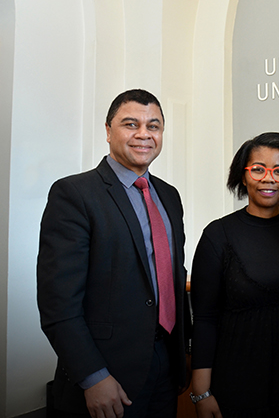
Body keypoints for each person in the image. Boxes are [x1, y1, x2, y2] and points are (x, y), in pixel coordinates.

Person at [37, 89, 188, 418]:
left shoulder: (169, 196)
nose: (143, 134)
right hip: (107, 373)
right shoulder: (74, 194)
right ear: (108, 131)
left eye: (154, 126)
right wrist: (93, 377)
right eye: (130, 124)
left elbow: (171, 275)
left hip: (166, 367)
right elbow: (57, 302)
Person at [190, 132, 279, 417]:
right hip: (237, 381)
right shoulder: (218, 235)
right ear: (243, 175)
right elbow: (204, 318)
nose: (268, 178)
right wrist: (201, 392)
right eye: (258, 169)